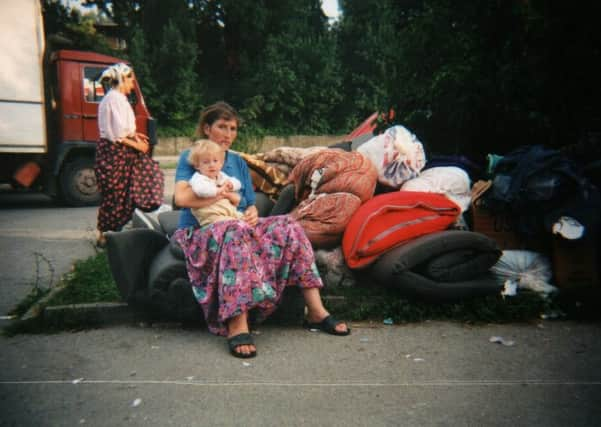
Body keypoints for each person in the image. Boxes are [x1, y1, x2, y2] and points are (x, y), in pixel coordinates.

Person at [173, 101, 350, 358]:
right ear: (207, 128)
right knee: (234, 231)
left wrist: (252, 212)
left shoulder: (237, 162)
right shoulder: (193, 156)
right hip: (200, 230)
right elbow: (181, 198)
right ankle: (237, 323)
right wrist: (221, 197)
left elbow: (247, 204)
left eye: (233, 128)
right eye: (222, 127)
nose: (228, 134)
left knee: (289, 226)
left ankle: (315, 311)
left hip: (236, 223)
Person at [94, 63, 163, 247]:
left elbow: (122, 129)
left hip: (118, 151)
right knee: (116, 194)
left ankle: (113, 233)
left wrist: (135, 135)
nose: (133, 82)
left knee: (122, 193)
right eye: (131, 78)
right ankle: (107, 236)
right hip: (115, 153)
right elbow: (116, 135)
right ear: (122, 79)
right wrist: (138, 145)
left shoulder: (117, 98)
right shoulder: (115, 99)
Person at [187, 139, 244, 226]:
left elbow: (237, 182)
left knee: (246, 221)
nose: (212, 165)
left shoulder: (221, 175)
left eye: (215, 161)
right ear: (197, 166)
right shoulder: (198, 178)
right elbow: (201, 190)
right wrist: (218, 190)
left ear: (221, 164)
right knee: (235, 225)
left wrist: (231, 184)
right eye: (206, 162)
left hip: (229, 212)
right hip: (211, 217)